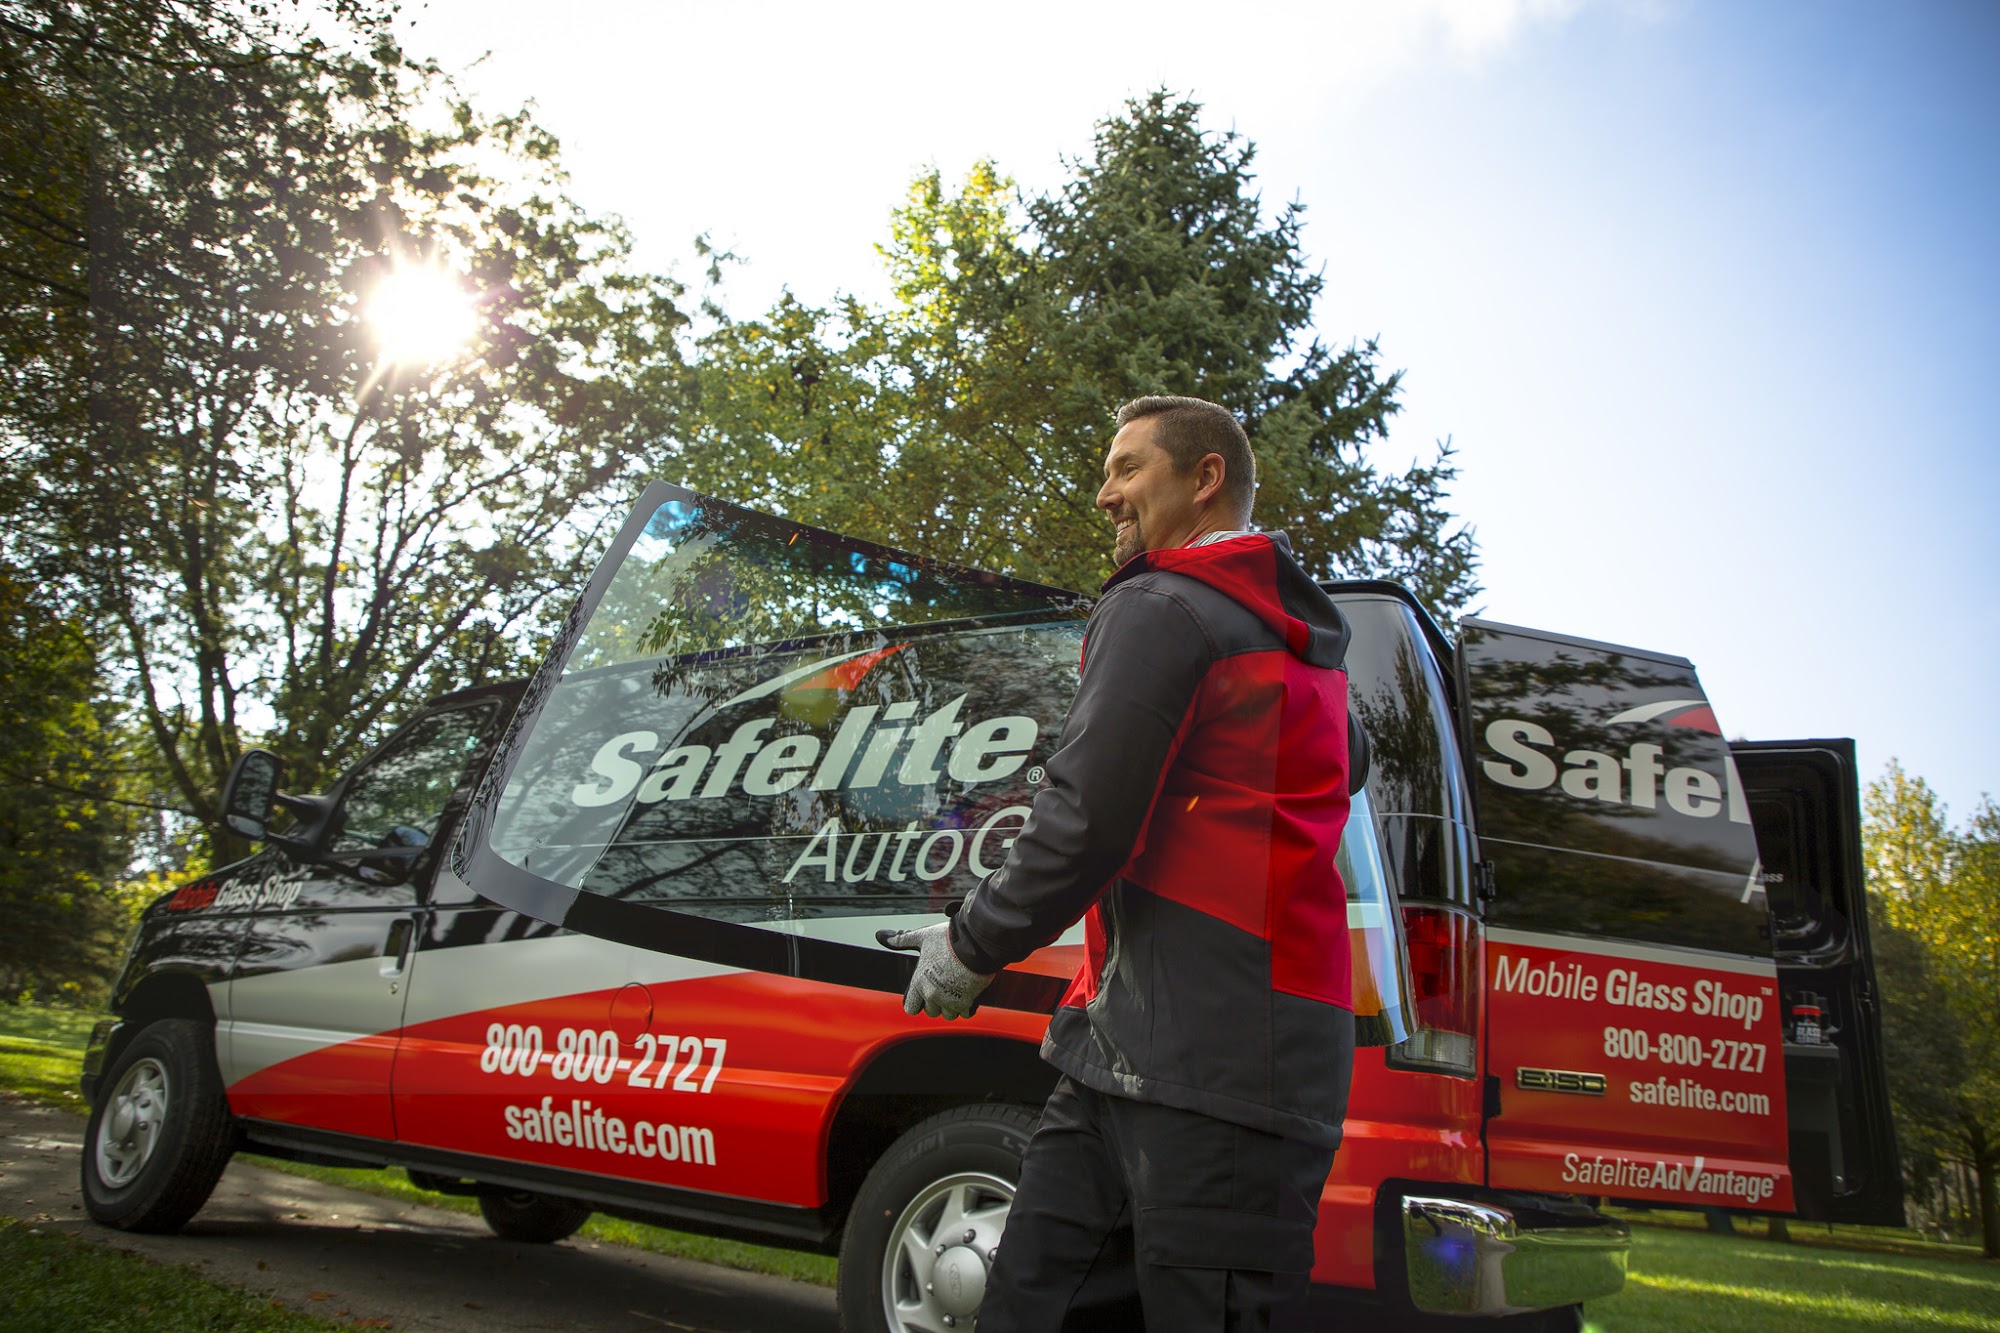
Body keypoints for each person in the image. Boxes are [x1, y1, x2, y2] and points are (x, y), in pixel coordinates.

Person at [880, 395, 1357, 1331]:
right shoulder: (1308, 653)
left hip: (1212, 1069)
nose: (1105, 494)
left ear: (1205, 478)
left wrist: (971, 942)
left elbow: (1088, 818)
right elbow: (1345, 766)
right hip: (1150, 1052)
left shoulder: (1162, 606)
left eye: (1128, 468)